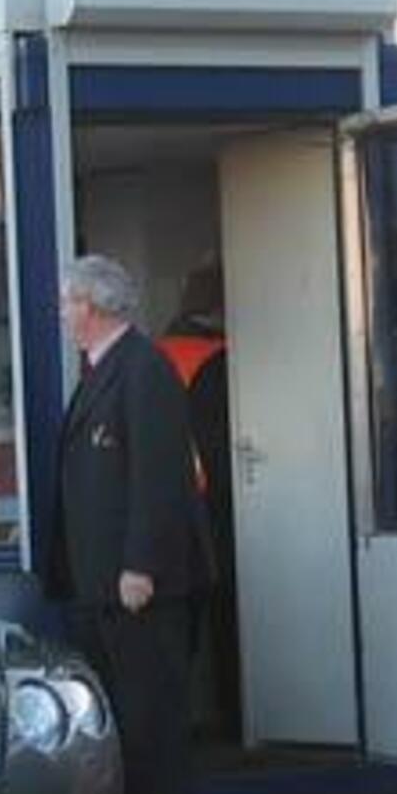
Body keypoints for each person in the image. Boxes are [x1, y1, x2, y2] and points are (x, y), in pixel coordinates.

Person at [40, 254, 212, 794]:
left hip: (137, 584)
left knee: (150, 710)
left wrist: (141, 565)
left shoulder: (144, 369)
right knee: (120, 709)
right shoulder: (99, 372)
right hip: (96, 583)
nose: (62, 315)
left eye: (67, 303)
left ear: (93, 307)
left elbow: (159, 477)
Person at [157, 261, 238, 732]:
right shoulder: (224, 359)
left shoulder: (154, 353)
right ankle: (231, 719)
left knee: (179, 626)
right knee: (229, 617)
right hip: (216, 506)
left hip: (168, 505)